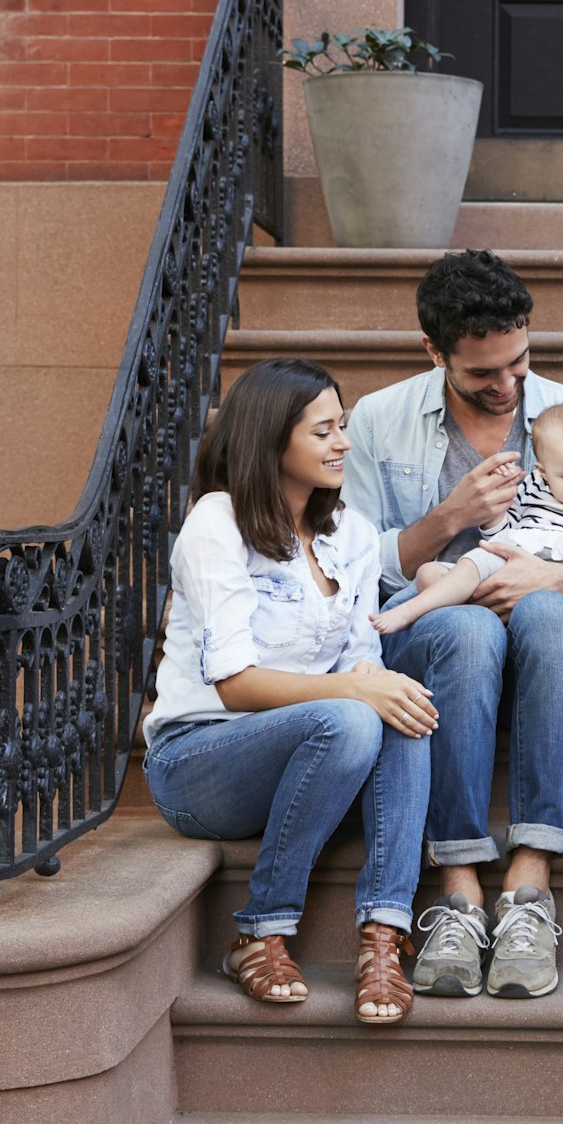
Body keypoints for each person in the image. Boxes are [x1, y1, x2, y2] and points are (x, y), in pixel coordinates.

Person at [341, 249, 563, 1001]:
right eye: (483, 373)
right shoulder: (381, 421)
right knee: (466, 631)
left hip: (548, 632)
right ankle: (458, 890)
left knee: (549, 611)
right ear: (434, 352)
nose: (507, 386)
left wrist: (545, 575)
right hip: (439, 634)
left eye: (518, 362)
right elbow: (353, 565)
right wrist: (452, 516)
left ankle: (529, 884)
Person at [142, 357, 434, 1024]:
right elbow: (238, 684)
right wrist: (355, 691)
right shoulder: (217, 523)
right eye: (324, 430)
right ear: (272, 438)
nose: (344, 443)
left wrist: (375, 685)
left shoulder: (351, 535)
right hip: (199, 761)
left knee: (401, 706)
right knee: (355, 716)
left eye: (344, 426)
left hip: (310, 756)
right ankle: (259, 930)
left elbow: (364, 667)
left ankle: (383, 935)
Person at [368, 402, 563, 636]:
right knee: (427, 573)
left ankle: (408, 612)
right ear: (543, 471)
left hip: (553, 582)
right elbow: (502, 537)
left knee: (471, 564)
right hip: (507, 563)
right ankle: (474, 607)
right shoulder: (533, 488)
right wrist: (496, 514)